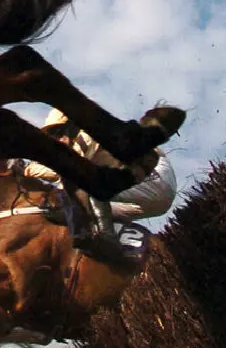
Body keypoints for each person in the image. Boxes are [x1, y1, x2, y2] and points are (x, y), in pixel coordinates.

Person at [24, 109, 177, 259]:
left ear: (73, 126)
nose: (58, 139)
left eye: (59, 132)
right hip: (153, 203)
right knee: (76, 210)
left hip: (156, 177)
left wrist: (28, 169)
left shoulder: (88, 134)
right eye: (53, 135)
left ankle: (108, 239)